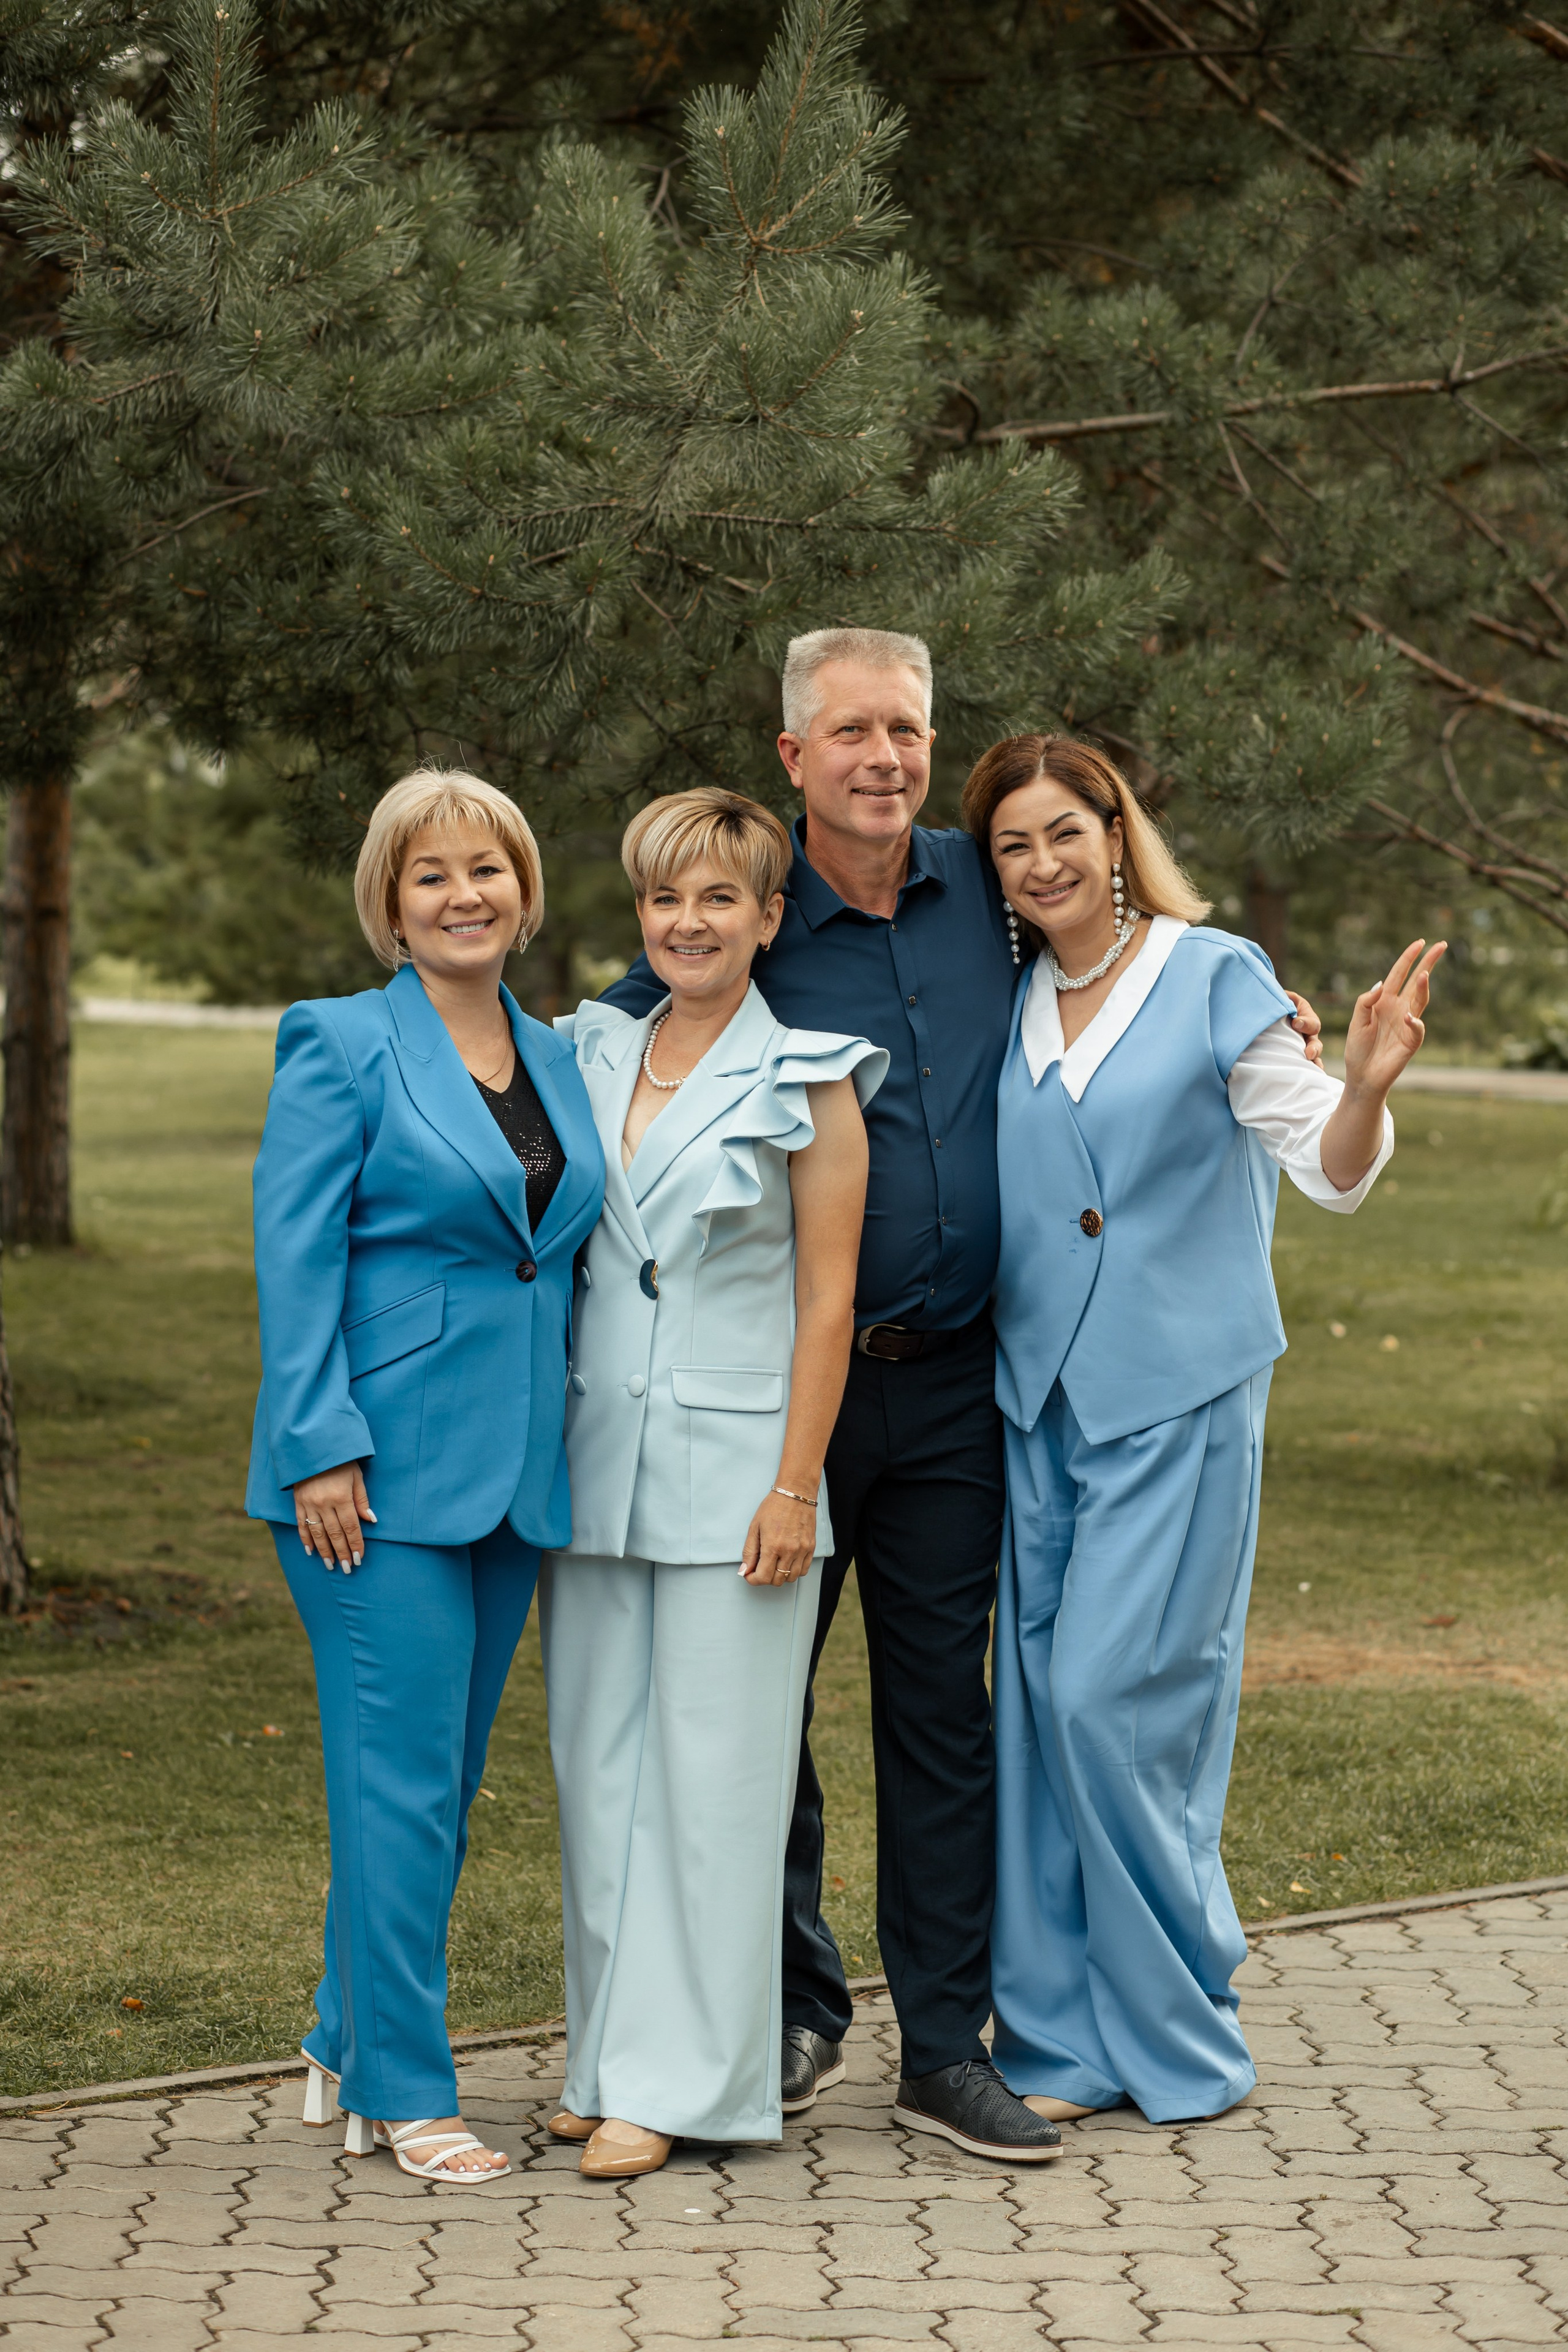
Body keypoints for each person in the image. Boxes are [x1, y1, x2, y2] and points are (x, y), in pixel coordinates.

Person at [606, 628, 1328, 2162]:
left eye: (907, 729)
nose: (884, 757)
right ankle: (791, 2007)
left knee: (946, 1724)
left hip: (957, 1395)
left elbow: (1118, 964)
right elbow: (621, 1045)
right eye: (850, 732)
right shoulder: (739, 911)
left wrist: (1266, 1022)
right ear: (793, 756)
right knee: (759, 1716)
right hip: (775, 1401)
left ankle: (945, 2043)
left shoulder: (988, 895)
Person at [967, 731, 1442, 2125]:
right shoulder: (1000, 992)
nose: (1042, 862)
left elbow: (1323, 1161)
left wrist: (1357, 1087)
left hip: (1173, 1392)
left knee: (1112, 1707)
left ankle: (1179, 2022)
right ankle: (1058, 2043)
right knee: (1035, 1731)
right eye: (1012, 844)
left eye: (1065, 830)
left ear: (1114, 833)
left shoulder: (1214, 971)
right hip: (1032, 1400)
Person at [246, 769, 605, 2183]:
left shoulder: (559, 1055)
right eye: (432, 875)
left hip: (512, 1472)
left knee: (438, 1789)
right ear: (391, 906)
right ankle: (408, 2089)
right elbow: (295, 1255)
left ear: (522, 890)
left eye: (489, 870)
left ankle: (343, 2029)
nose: (465, 896)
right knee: (394, 1786)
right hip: (370, 1478)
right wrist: (316, 1441)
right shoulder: (337, 1043)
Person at [539, 788, 886, 2179]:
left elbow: (827, 1300)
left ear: (766, 920)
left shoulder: (810, 1075)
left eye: (717, 900)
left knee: (717, 1784)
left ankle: (686, 2086)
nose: (688, 923)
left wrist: (794, 1487)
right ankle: (604, 2058)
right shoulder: (582, 1047)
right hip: (588, 1472)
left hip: (745, 1476)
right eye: (663, 900)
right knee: (599, 1775)